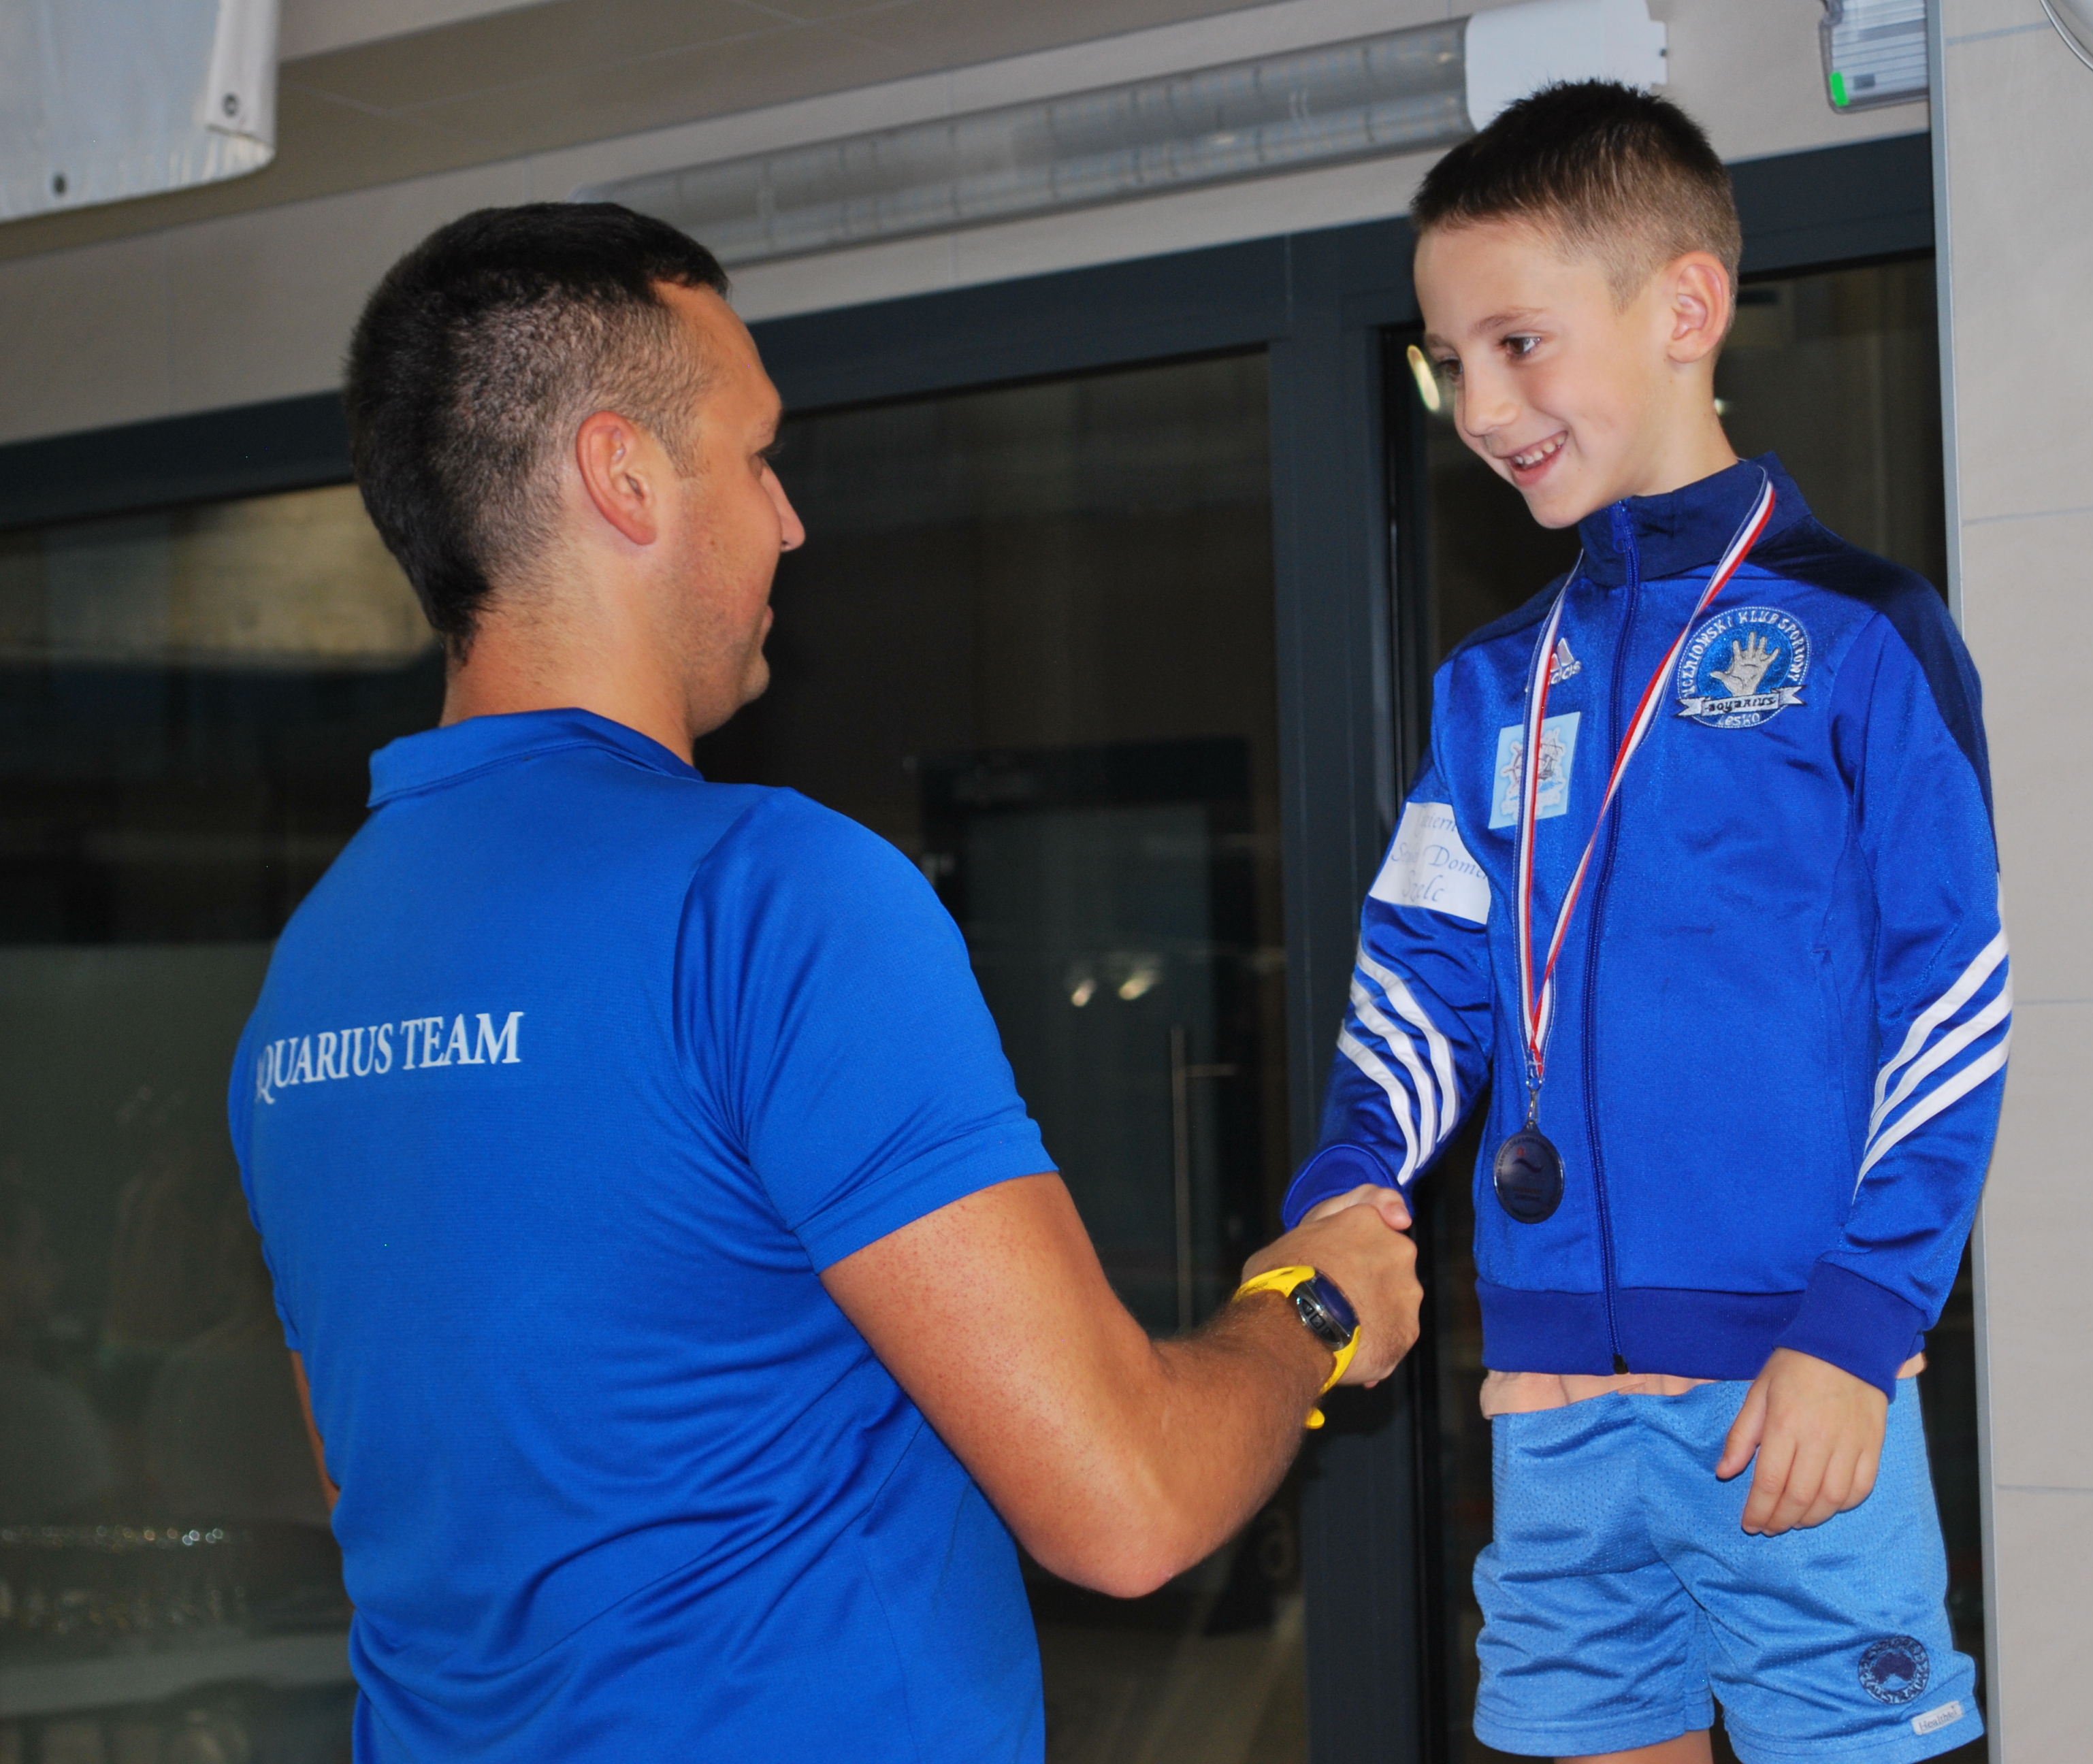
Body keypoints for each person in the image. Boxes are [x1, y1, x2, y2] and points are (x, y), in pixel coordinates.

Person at [227, 203, 1420, 1760]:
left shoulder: (312, 972)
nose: (788, 522)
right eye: (755, 457)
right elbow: (1125, 1503)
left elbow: (380, 1495)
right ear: (623, 476)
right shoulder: (769, 892)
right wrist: (1310, 1306)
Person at [1287, 85, 2004, 1763]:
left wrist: (1860, 1323)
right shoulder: (1490, 685)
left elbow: (1950, 1002)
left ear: (1685, 309)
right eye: (1448, 364)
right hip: (1551, 1403)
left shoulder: (1859, 634)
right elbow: (1422, 979)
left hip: (1793, 1375)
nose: (1480, 407)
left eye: (1518, 344)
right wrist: (1346, 1177)